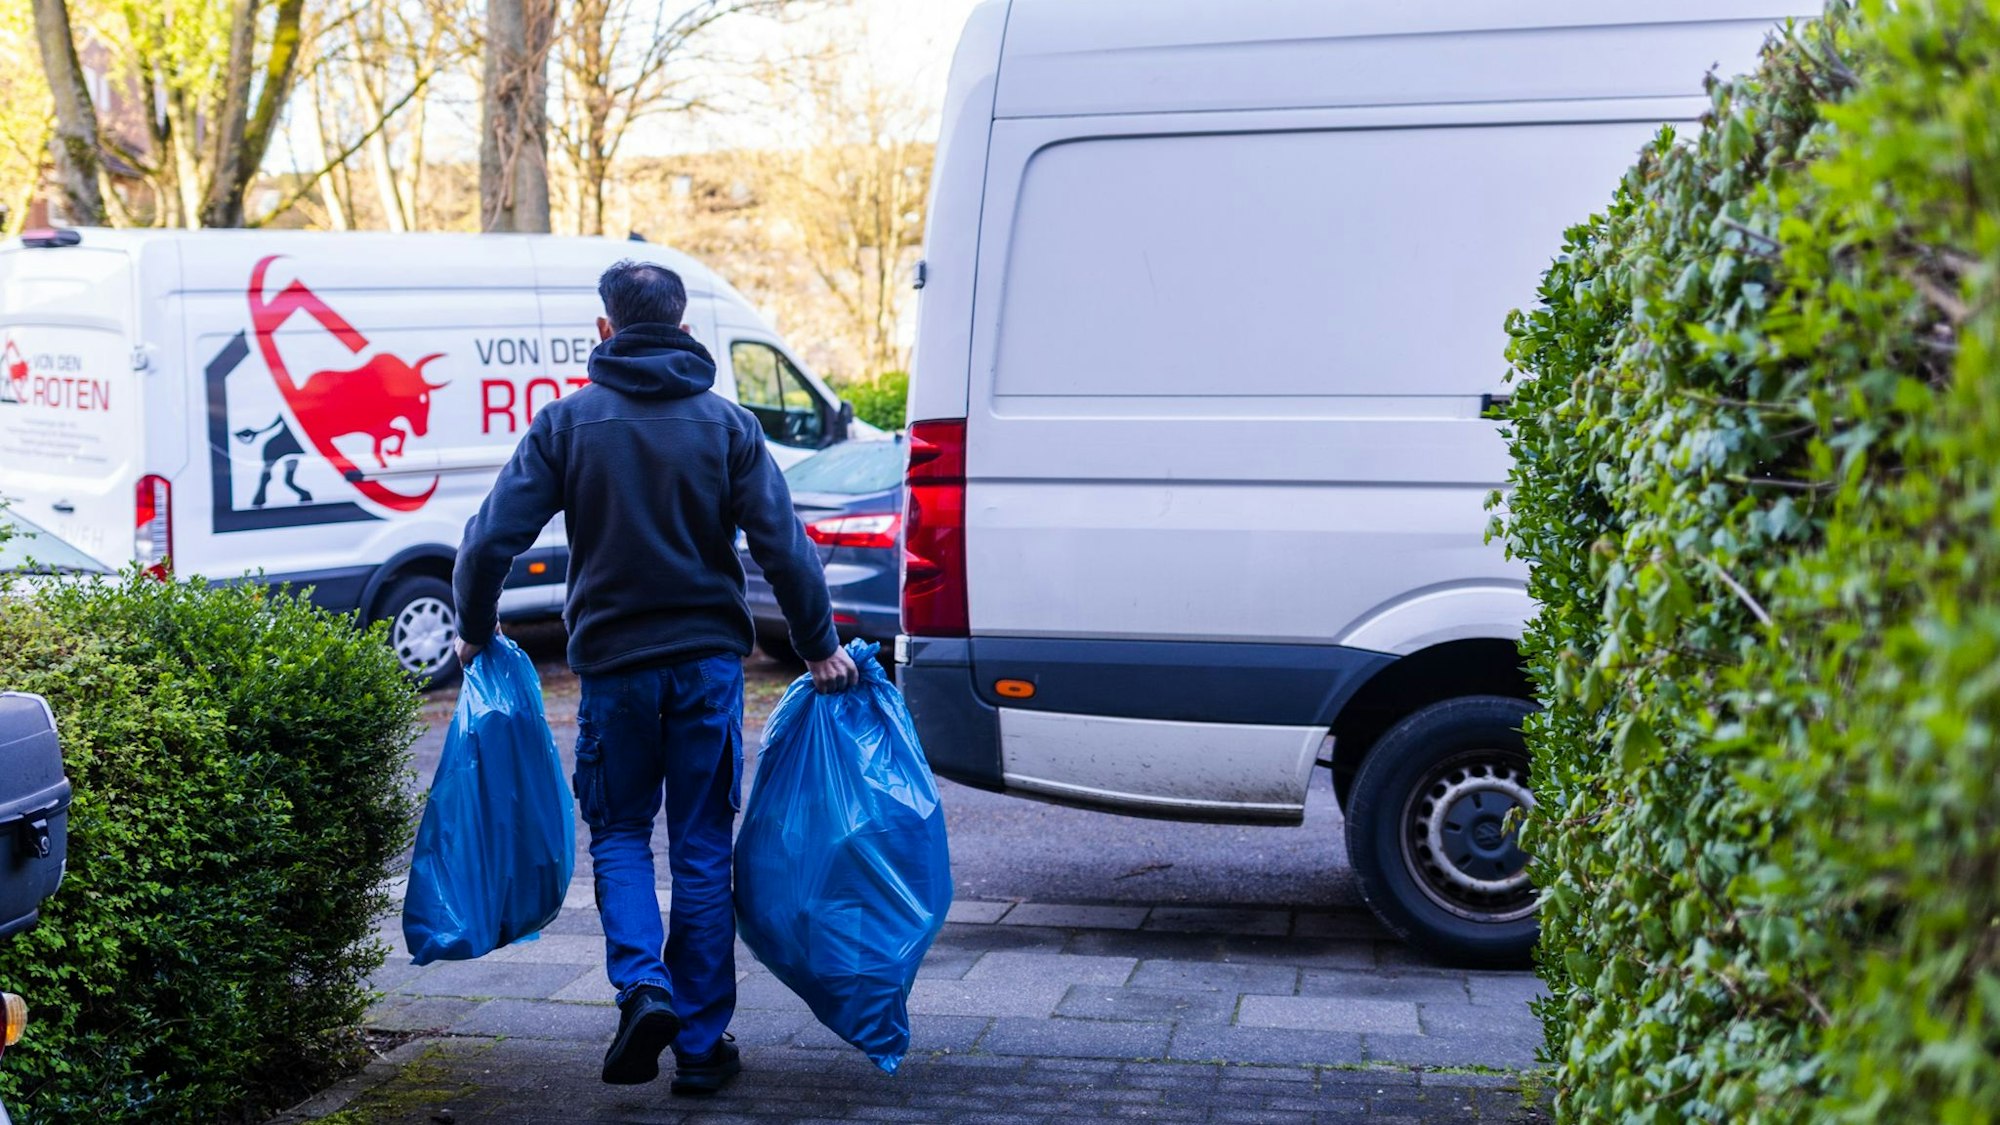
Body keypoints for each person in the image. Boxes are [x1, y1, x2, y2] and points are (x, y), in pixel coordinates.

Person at [451, 260, 859, 1094]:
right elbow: (783, 544)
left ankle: (643, 988)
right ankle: (704, 1048)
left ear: (604, 329)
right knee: (704, 845)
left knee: (622, 832)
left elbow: (489, 539)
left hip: (613, 670)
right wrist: (819, 644)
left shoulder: (566, 424)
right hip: (709, 667)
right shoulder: (728, 424)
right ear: (681, 328)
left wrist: (476, 629)